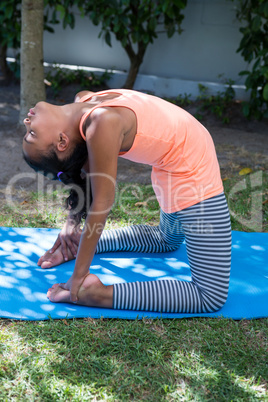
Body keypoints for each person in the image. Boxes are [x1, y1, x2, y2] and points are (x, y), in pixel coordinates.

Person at [23, 89, 232, 313]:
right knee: (209, 295)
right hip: (181, 166)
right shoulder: (97, 122)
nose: (27, 122)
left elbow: (94, 185)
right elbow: (97, 193)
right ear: (61, 141)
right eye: (32, 133)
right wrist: (79, 273)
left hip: (186, 162)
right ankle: (98, 294)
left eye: (28, 132)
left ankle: (87, 261)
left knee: (167, 241)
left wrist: (77, 254)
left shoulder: (87, 104)